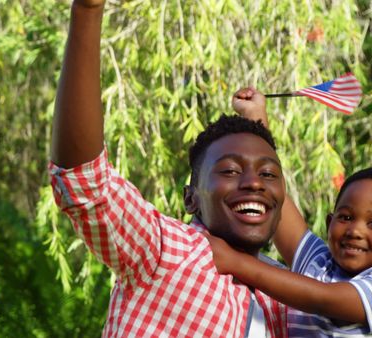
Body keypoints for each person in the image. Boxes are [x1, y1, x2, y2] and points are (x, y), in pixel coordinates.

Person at [49, 1, 288, 336]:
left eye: (267, 175)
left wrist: (255, 124)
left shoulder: (283, 297)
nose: (255, 184)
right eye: (230, 171)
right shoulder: (165, 252)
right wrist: (88, 11)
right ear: (190, 199)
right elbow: (85, 183)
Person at [206, 87, 372, 337]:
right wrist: (255, 118)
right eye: (346, 217)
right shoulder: (319, 264)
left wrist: (235, 262)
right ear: (330, 222)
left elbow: (323, 299)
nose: (355, 230)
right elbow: (277, 201)